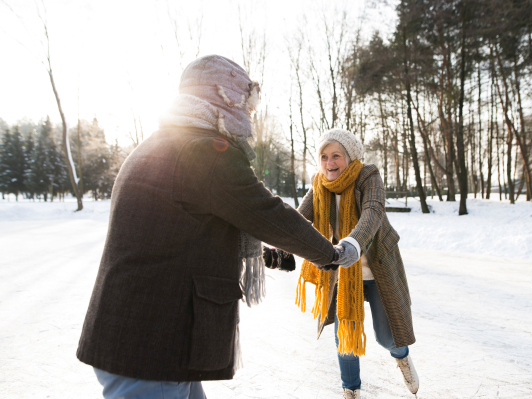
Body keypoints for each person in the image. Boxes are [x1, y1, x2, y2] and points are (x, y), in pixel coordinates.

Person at [76, 55, 348, 399]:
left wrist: (268, 253)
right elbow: (266, 212)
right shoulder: (204, 150)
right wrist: (330, 253)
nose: (250, 115)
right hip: (154, 344)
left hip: (139, 334)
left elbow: (189, 226)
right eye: (245, 103)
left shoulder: (160, 144)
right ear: (223, 99)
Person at [295, 129, 419, 399]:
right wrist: (276, 245)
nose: (330, 163)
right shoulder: (319, 183)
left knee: (388, 337)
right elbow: (297, 221)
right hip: (341, 271)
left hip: (375, 267)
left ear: (350, 156)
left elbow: (373, 212)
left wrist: (352, 243)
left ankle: (402, 356)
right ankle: (350, 389)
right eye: (324, 156)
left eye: (336, 155)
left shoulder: (368, 175)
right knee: (345, 338)